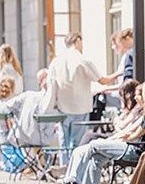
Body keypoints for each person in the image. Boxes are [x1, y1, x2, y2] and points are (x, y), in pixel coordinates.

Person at [61, 79, 145, 184]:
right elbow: (136, 133)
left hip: (136, 151)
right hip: (138, 149)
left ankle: (75, 178)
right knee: (97, 157)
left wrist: (122, 138)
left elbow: (134, 135)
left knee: (94, 145)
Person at [46, 32, 119, 165]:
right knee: (77, 141)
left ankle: (65, 167)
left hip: (62, 106)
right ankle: (75, 169)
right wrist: (119, 73)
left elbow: (50, 84)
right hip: (80, 106)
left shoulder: (56, 61)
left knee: (64, 140)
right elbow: (103, 80)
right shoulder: (83, 60)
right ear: (77, 41)